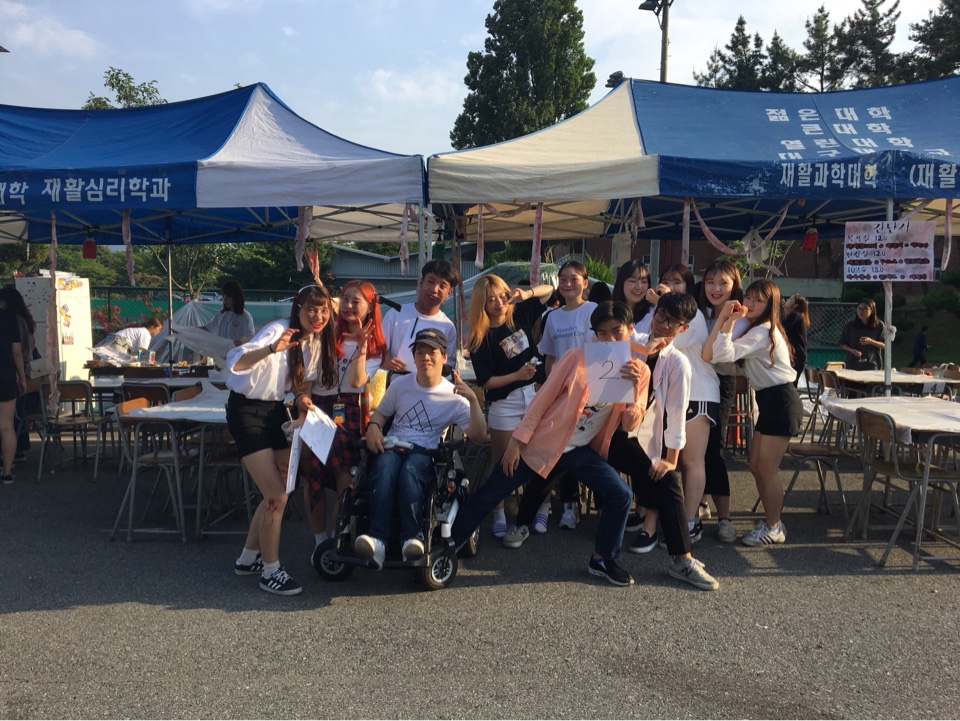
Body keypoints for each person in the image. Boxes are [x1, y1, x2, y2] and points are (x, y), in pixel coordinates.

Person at [452, 301, 718, 589]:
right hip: (544, 442)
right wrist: (516, 442)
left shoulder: (641, 371)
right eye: (602, 333)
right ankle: (448, 544)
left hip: (582, 448)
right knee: (492, 490)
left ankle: (603, 559)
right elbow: (541, 402)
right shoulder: (577, 358)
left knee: (620, 494)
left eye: (617, 331)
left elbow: (630, 423)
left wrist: (631, 390)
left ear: (630, 330)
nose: (609, 339)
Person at [227, 284, 337, 596]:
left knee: (280, 491)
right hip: (246, 411)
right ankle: (270, 571)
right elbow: (236, 361)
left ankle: (248, 559)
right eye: (311, 309)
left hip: (276, 410)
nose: (318, 316)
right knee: (276, 495)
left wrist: (302, 403)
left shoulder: (315, 340)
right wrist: (271, 349)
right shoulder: (277, 330)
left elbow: (303, 385)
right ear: (298, 309)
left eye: (324, 311)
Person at [354, 328, 486, 568]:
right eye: (420, 352)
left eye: (432, 353)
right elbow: (381, 414)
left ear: (443, 357)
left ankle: (412, 538)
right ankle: (378, 540)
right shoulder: (400, 385)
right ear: (414, 358)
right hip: (393, 446)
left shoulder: (454, 396)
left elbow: (478, 435)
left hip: (426, 453)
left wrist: (473, 400)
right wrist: (373, 426)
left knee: (410, 471)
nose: (425, 357)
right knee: (384, 468)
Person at [704, 280, 803, 547]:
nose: (749, 303)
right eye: (748, 297)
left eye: (757, 300)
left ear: (770, 305)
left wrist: (728, 320)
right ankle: (772, 522)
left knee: (767, 469)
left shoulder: (762, 331)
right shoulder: (760, 328)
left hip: (781, 402)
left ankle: (774, 526)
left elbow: (722, 353)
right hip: (771, 402)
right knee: (756, 465)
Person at [644, 264, 730, 546]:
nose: (670, 286)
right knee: (672, 459)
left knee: (692, 461)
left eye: (677, 283)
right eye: (666, 281)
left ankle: (690, 521)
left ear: (689, 287)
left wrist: (661, 302)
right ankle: (673, 518)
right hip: (672, 395)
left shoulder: (692, 316)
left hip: (698, 394)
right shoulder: (658, 313)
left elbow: (663, 340)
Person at [467, 275, 553, 539]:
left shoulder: (520, 314)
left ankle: (542, 507)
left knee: (541, 456)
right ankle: (499, 513)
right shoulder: (480, 338)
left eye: (502, 295)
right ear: (481, 304)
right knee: (502, 461)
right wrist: (516, 376)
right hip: (505, 401)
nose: (499, 302)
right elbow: (486, 382)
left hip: (536, 394)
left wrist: (526, 294)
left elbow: (549, 291)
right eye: (490, 299)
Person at [305, 280, 386, 559]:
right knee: (313, 474)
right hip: (318, 405)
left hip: (349, 409)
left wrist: (361, 347)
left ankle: (339, 537)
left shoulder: (375, 345)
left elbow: (356, 381)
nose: (349, 305)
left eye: (357, 301)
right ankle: (320, 540)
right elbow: (308, 377)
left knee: (345, 476)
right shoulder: (326, 333)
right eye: (346, 299)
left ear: (370, 307)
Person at [381, 259, 460, 373]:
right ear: (421, 282)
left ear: (449, 293)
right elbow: (375, 353)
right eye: (430, 281)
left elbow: (448, 365)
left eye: (442, 286)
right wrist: (385, 361)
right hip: (396, 381)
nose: (434, 289)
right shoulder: (396, 314)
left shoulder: (447, 326)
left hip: (430, 384)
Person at [0, 287, 37, 461]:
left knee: (13, 419)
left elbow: (16, 351)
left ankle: (14, 452)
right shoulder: (22, 320)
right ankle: (14, 457)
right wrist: (22, 376)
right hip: (16, 371)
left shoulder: (11, 320)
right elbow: (20, 351)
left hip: (14, 368)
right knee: (10, 423)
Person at [0, 299, 26, 483]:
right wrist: (22, 377)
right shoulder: (9, 318)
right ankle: (7, 473)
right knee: (7, 426)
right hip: (5, 374)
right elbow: (16, 351)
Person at [612, 259, 655, 337]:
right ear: (621, 283)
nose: (638, 287)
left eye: (644, 282)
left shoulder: (653, 313)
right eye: (632, 281)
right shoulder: (609, 311)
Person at [205, 280, 255, 346]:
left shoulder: (245, 316)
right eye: (223, 296)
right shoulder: (221, 313)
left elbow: (251, 335)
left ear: (236, 297)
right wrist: (192, 330)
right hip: (220, 351)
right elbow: (208, 328)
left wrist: (243, 342)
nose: (225, 300)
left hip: (235, 351)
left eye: (228, 296)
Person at [839, 298, 885, 371]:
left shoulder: (879, 325)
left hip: (872, 363)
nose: (861, 311)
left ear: (872, 311)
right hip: (853, 363)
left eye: (864, 309)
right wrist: (852, 350)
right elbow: (842, 344)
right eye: (859, 308)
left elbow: (884, 345)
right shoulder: (850, 326)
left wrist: (871, 341)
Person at [781, 293, 810, 384]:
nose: (787, 300)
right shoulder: (793, 316)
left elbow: (781, 329)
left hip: (796, 356)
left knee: (790, 383)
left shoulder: (795, 316)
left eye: (790, 299)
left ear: (795, 305)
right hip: (796, 356)